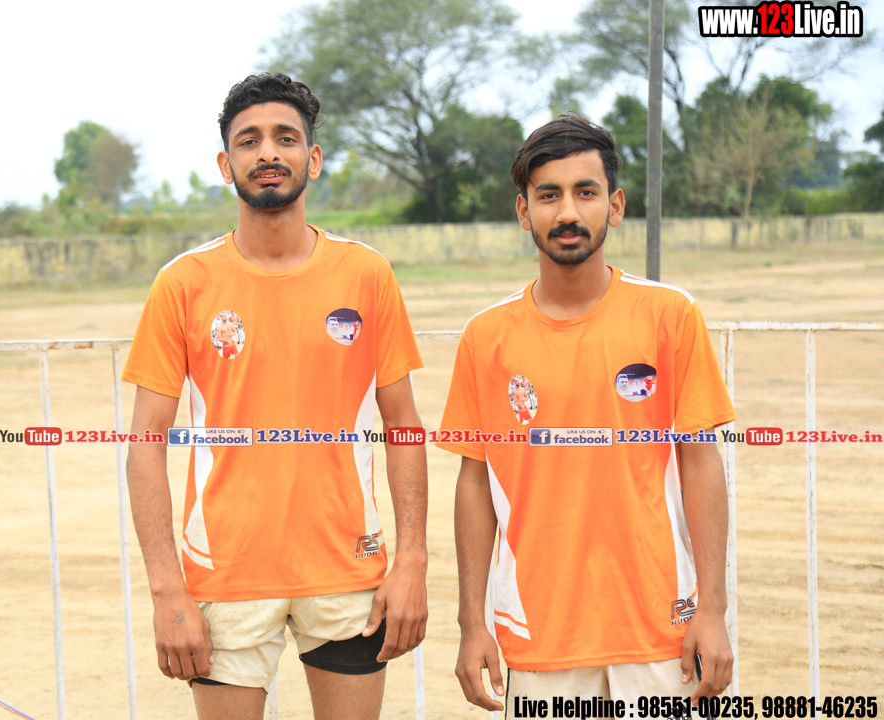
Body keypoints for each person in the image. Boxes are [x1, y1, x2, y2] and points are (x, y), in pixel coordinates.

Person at [122, 73, 428, 720]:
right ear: (225, 163)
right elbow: (144, 446)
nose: (268, 152)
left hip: (346, 570)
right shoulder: (184, 283)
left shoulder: (366, 274)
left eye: (285, 138)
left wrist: (412, 562)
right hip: (225, 573)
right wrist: (166, 591)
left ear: (312, 159)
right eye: (249, 140)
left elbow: (404, 426)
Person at [438, 114, 736, 710]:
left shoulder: (669, 316)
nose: (567, 212)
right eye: (548, 195)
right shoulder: (486, 336)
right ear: (524, 211)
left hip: (661, 630)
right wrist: (473, 623)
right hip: (540, 631)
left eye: (586, 192)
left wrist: (712, 609)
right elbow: (475, 479)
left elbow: (701, 463)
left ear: (615, 206)